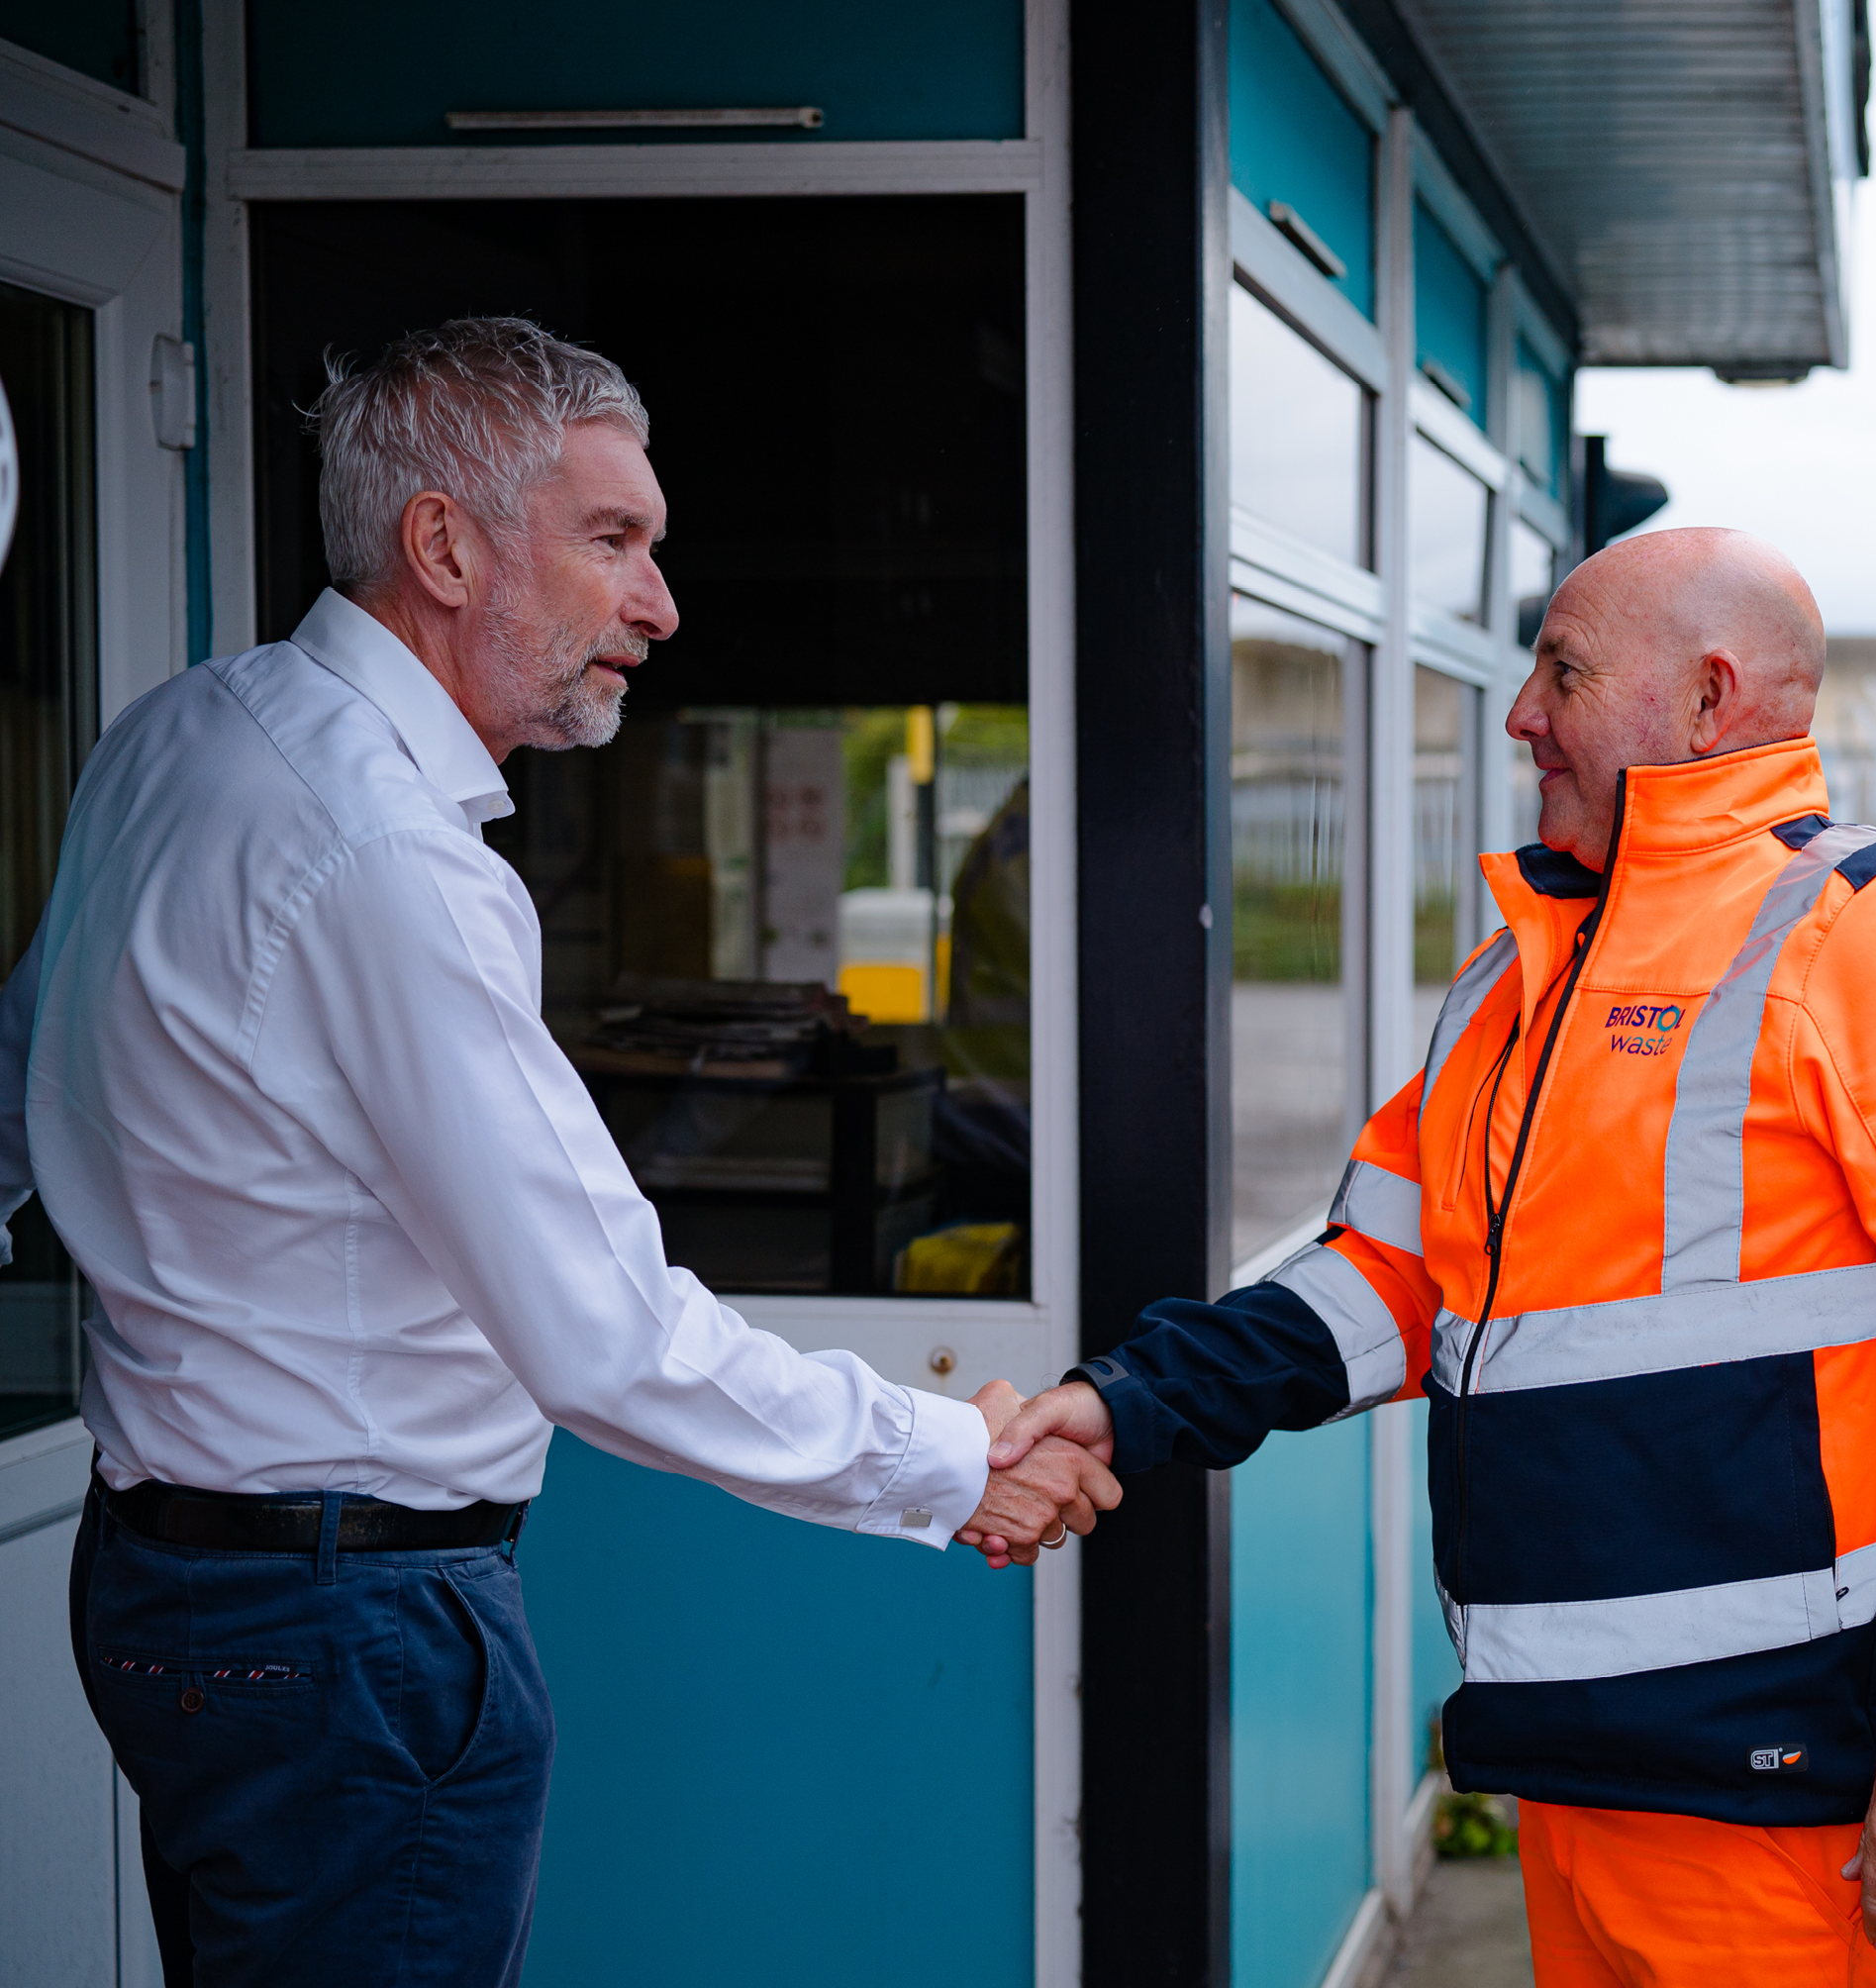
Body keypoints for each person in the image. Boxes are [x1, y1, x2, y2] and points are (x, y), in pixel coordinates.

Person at [0, 318, 1119, 1988]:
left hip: (173, 1586)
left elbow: (22, 1079)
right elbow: (601, 1329)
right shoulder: (382, 848)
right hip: (342, 1633)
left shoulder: (181, 738)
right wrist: (952, 1457)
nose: (660, 607)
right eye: (614, 542)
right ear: (443, 546)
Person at [987, 528, 1876, 1984]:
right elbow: (1391, 1280)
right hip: (1577, 1768)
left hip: (1780, 1807)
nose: (1517, 716)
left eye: (1561, 670)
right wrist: (1126, 1400)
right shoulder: (1526, 966)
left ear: (1706, 698)